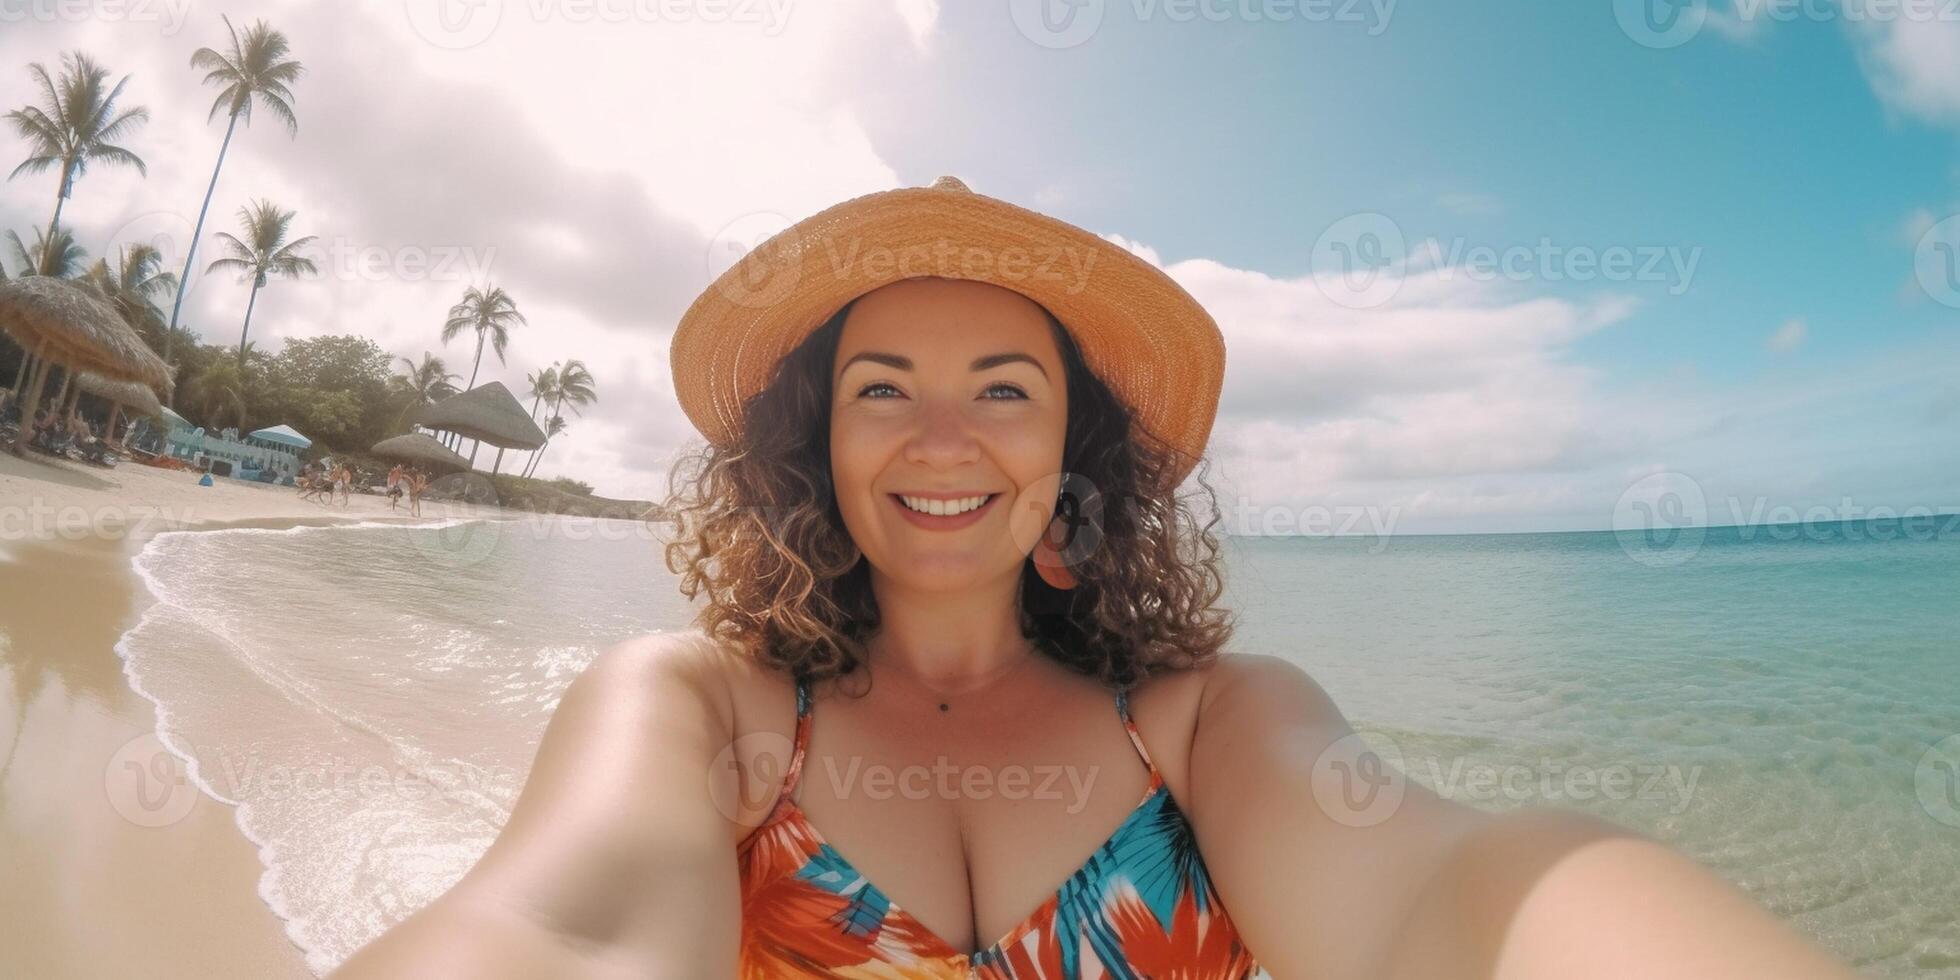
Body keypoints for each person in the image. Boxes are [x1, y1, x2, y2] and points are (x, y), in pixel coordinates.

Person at [327, 178, 1857, 978]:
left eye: (1004, 388)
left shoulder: (1207, 731)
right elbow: (561, 932)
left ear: (1075, 452)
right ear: (814, 441)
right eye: (881, 389)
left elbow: (1440, 902)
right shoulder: (695, 711)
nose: (942, 435)